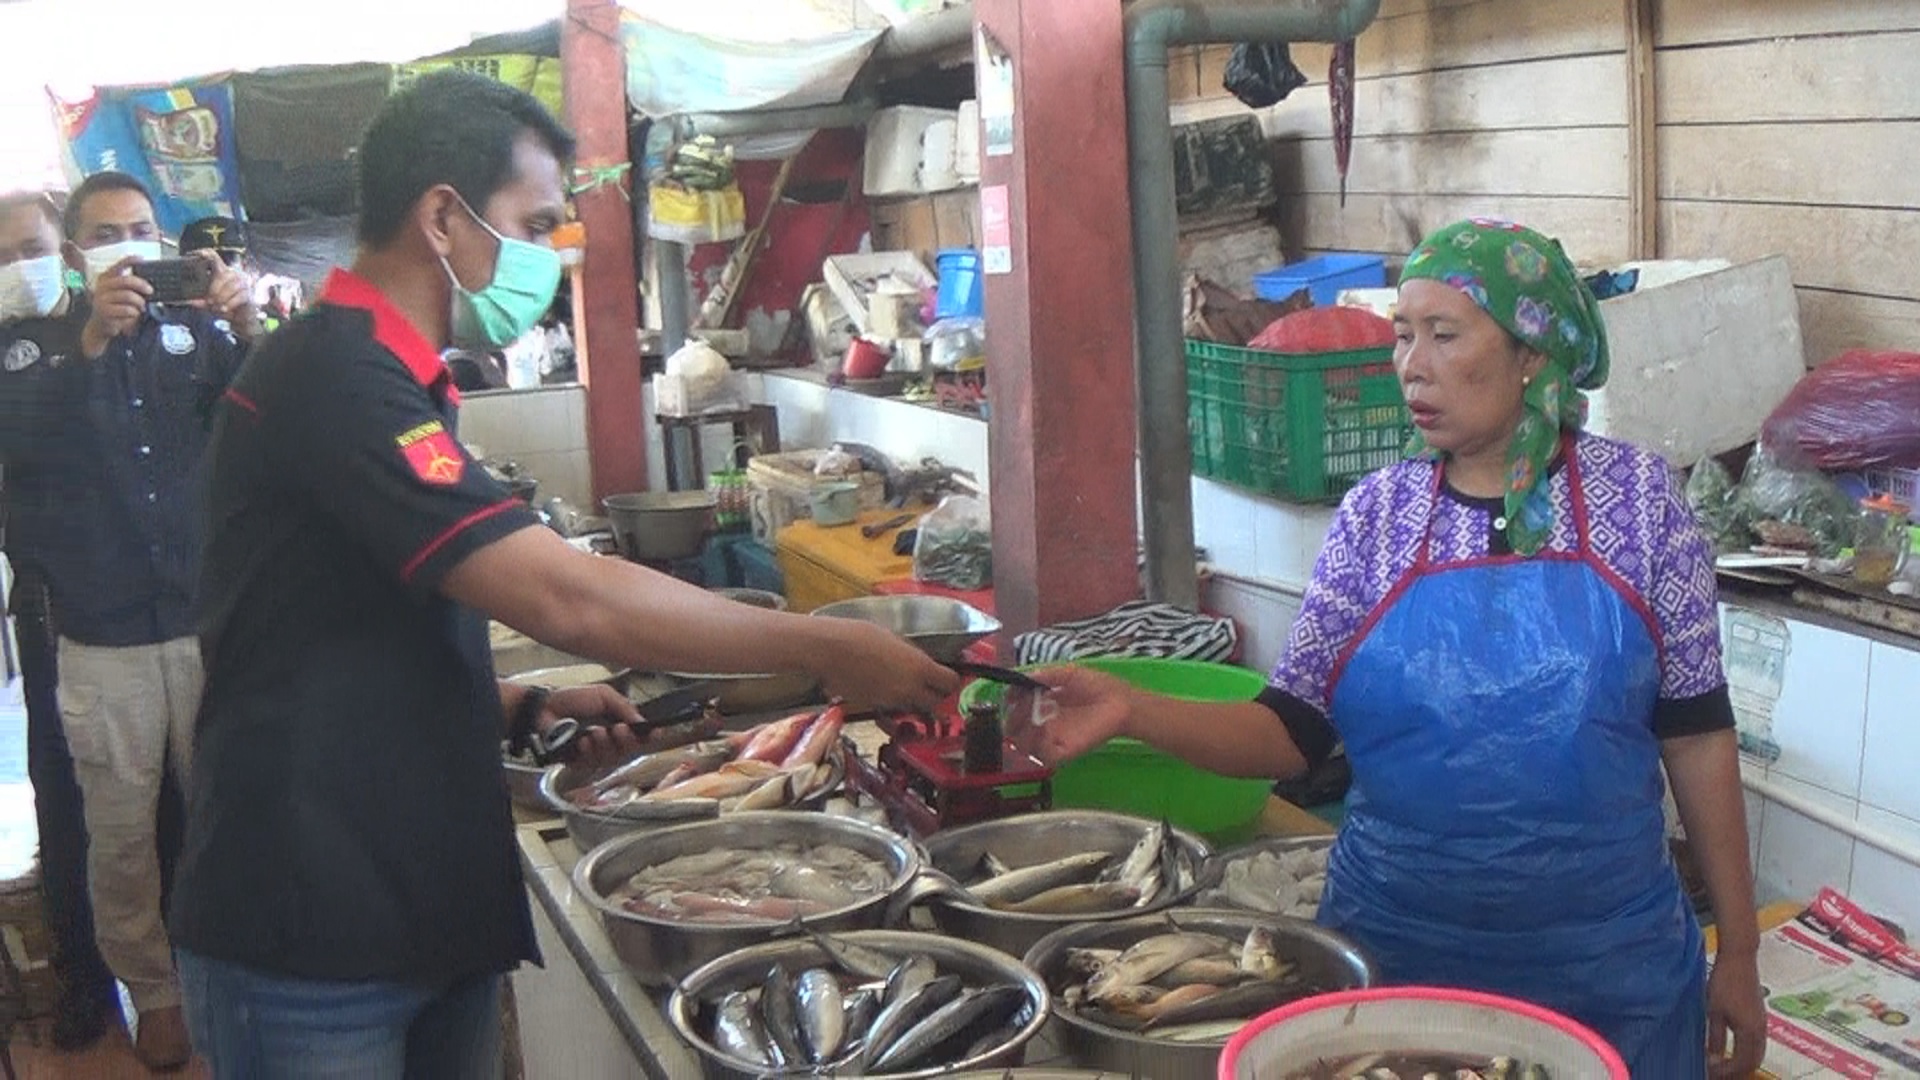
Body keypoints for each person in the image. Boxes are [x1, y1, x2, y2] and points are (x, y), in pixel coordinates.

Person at [169, 70, 958, 1079]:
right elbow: (568, 597)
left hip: (423, 902)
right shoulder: (335, 374)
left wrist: (513, 706)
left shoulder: (397, 375)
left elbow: (327, 625)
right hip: (312, 929)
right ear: (444, 217)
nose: (550, 256)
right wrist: (825, 644)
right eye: (536, 225)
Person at [1011, 219, 1766, 1077]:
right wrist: (1132, 708)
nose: (1411, 364)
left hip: (1609, 968)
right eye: (1403, 335)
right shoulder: (1376, 518)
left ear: (1530, 351)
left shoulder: (1639, 502)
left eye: (1445, 335)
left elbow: (1698, 732)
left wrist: (1738, 951)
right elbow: (1289, 731)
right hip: (1398, 957)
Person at [0, 174, 257, 1068]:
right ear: (77, 253)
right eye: (105, 232)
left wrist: (250, 324)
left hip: (206, 621)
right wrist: (92, 344)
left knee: (230, 812)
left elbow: (272, 421)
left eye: (141, 228)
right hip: (99, 635)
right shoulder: (30, 349)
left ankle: (237, 972)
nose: (127, 244)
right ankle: (153, 993)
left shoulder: (195, 331)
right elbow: (21, 454)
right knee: (118, 834)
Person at [0, 189, 120, 1051]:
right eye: (3, 257)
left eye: (33, 247)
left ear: (67, 250)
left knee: (172, 794)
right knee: (66, 798)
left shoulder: (118, 314)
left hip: (147, 603)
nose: (22, 268)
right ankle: (85, 981)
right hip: (48, 606)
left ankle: (178, 972)